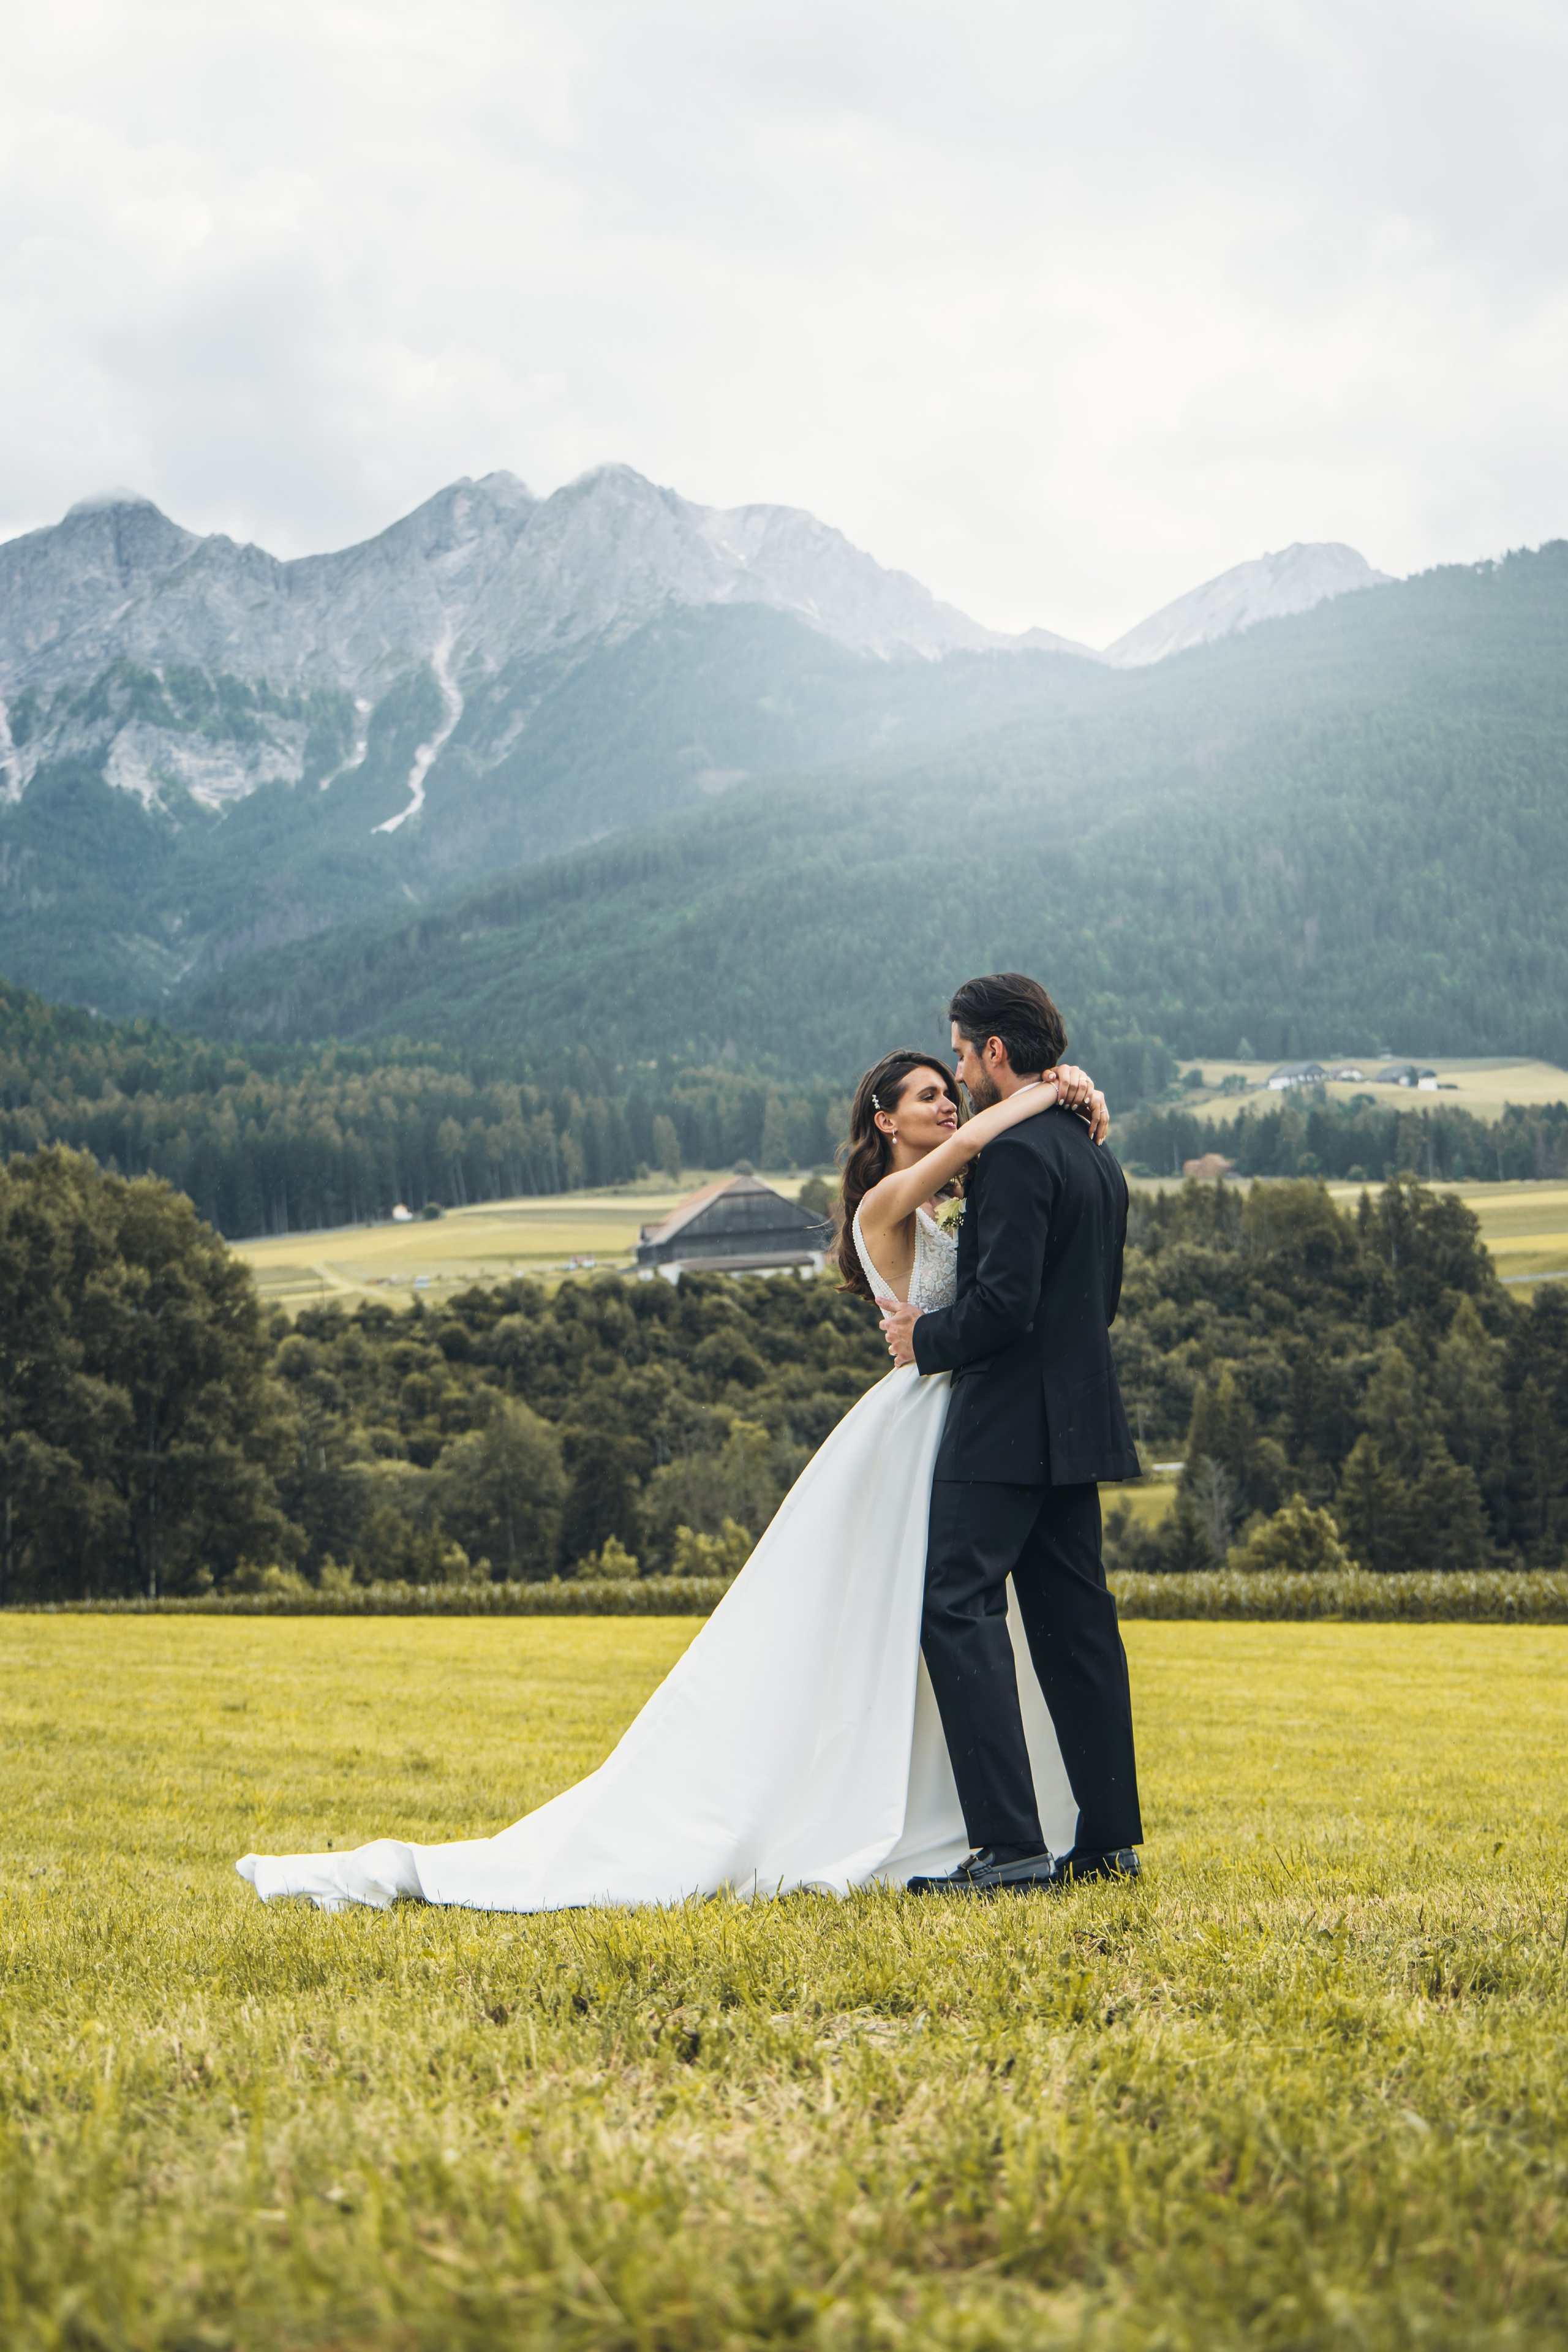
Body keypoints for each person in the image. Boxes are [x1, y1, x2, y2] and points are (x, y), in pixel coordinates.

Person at [235, 1042, 1109, 1914]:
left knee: (933, 1625)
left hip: (961, 1424)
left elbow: (986, 1188)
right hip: (923, 1423)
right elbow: (968, 1154)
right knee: (904, 1616)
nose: (950, 1105)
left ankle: (969, 1815)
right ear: (885, 1120)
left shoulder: (939, 1205)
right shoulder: (885, 1203)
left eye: (953, 1091)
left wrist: (1066, 1095)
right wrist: (1048, 1091)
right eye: (928, 1095)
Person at [880, 972, 1144, 1896]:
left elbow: (1004, 1306)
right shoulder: (1091, 1150)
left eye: (960, 1052)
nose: (957, 1070)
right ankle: (1110, 1842)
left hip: (1005, 1423)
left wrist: (925, 1338)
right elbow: (1098, 1300)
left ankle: (1011, 1847)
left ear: (996, 1052)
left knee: (955, 1605)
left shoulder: (1021, 1153)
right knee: (1078, 1628)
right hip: (1077, 1418)